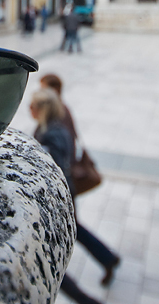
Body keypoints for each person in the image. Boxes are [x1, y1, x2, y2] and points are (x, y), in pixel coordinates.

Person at [39, 75, 120, 288]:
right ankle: (107, 258)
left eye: (43, 88)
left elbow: (66, 145)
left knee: (73, 229)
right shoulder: (58, 111)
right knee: (73, 228)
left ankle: (107, 259)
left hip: (64, 183)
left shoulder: (58, 114)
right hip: (65, 182)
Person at [29, 89, 104, 304]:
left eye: (32, 106)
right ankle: (108, 259)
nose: (29, 110)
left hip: (59, 201)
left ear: (41, 109)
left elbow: (56, 167)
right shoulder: (52, 128)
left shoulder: (51, 134)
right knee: (72, 235)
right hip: (64, 197)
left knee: (48, 260)